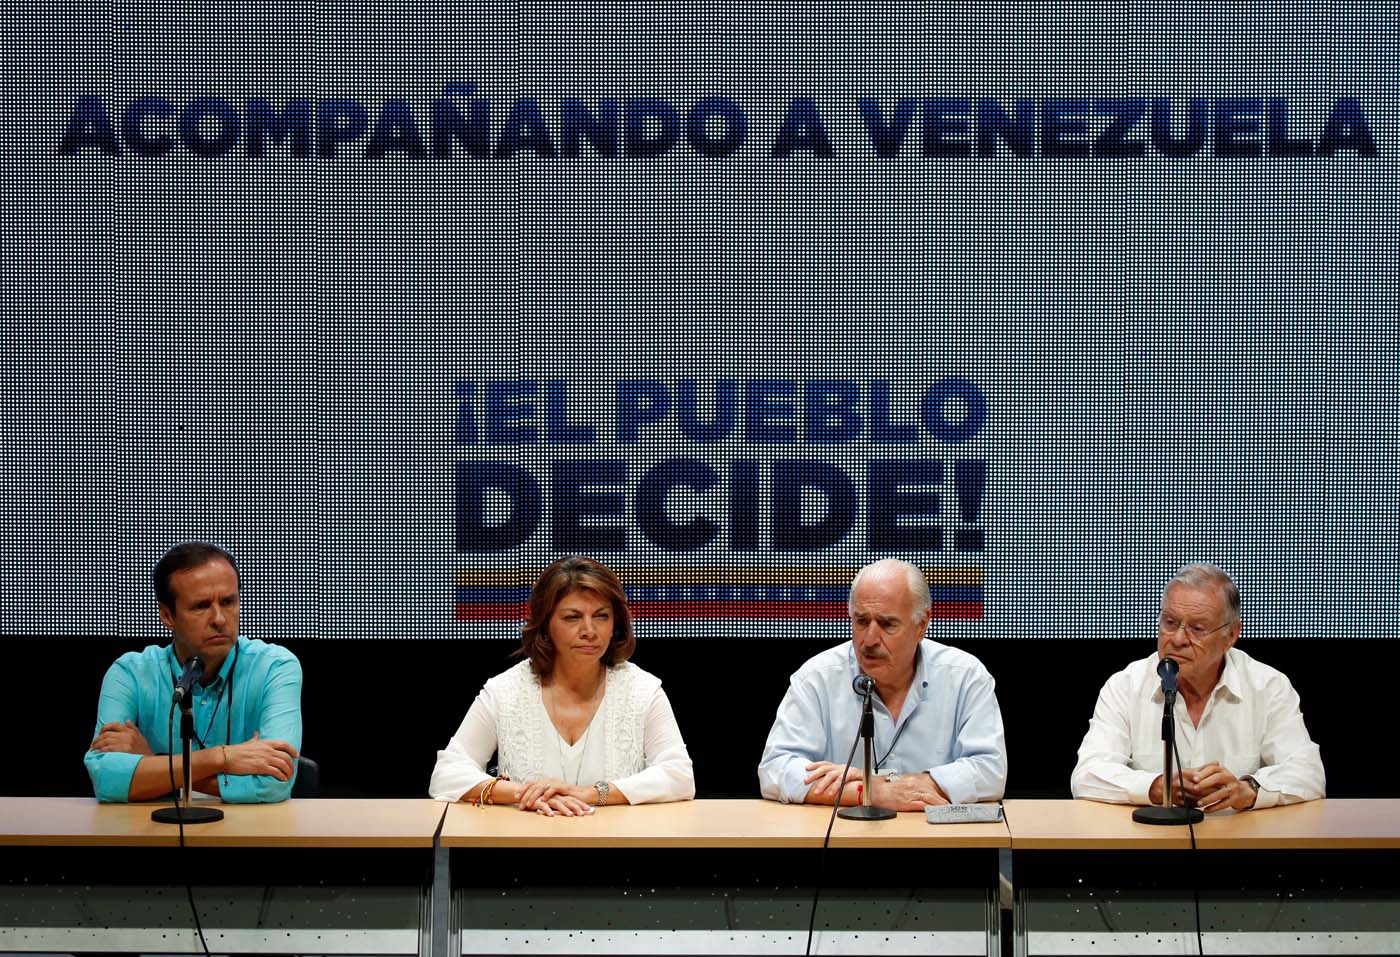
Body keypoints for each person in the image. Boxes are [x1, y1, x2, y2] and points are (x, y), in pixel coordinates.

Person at [429, 556, 694, 814]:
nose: (589, 630)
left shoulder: (642, 690)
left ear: (615, 624)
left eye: (601, 616)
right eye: (572, 617)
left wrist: (591, 794)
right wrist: (525, 793)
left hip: (620, 850)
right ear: (545, 625)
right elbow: (447, 774)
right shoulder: (505, 690)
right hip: (521, 848)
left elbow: (679, 775)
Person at [1072, 564, 1324, 811]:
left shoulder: (1268, 687)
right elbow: (1088, 774)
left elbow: (1308, 773)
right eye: (1170, 623)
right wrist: (1158, 787)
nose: (1178, 639)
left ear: (1232, 635)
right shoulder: (1125, 686)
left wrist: (1249, 791)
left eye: (1197, 629)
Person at [758, 559, 1007, 809]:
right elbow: (776, 769)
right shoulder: (817, 677)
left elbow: (990, 771)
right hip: (844, 842)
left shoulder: (965, 677)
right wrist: (866, 793)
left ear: (921, 625)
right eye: (861, 621)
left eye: (888, 624)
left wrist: (894, 783)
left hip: (936, 842)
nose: (869, 640)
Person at [85, 543, 303, 803]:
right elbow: (106, 780)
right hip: (152, 836)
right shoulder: (129, 673)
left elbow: (273, 784)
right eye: (201, 606)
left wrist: (154, 763)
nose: (219, 619)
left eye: (228, 602)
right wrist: (222, 757)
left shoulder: (274, 667)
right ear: (167, 615)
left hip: (247, 837)